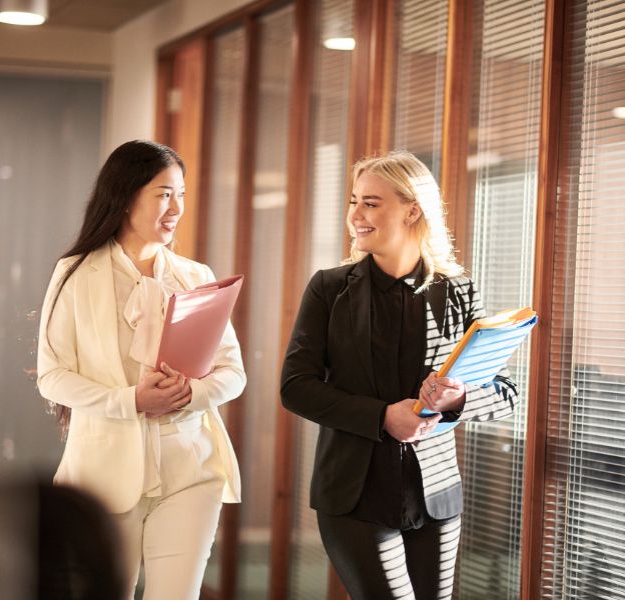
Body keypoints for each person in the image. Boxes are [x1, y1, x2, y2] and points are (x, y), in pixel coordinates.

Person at [280, 150, 519, 599]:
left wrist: (458, 399)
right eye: (354, 201)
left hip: (436, 496)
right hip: (353, 496)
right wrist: (381, 417)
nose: (356, 215)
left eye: (371, 203)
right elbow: (296, 388)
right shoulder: (330, 288)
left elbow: (504, 392)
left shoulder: (459, 290)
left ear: (413, 209)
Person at [36, 139, 246, 600]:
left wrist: (190, 393)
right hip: (103, 479)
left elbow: (233, 373)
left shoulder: (196, 275)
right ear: (127, 195)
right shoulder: (74, 274)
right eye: (164, 193)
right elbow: (52, 376)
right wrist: (132, 399)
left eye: (182, 194)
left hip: (189, 470)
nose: (176, 208)